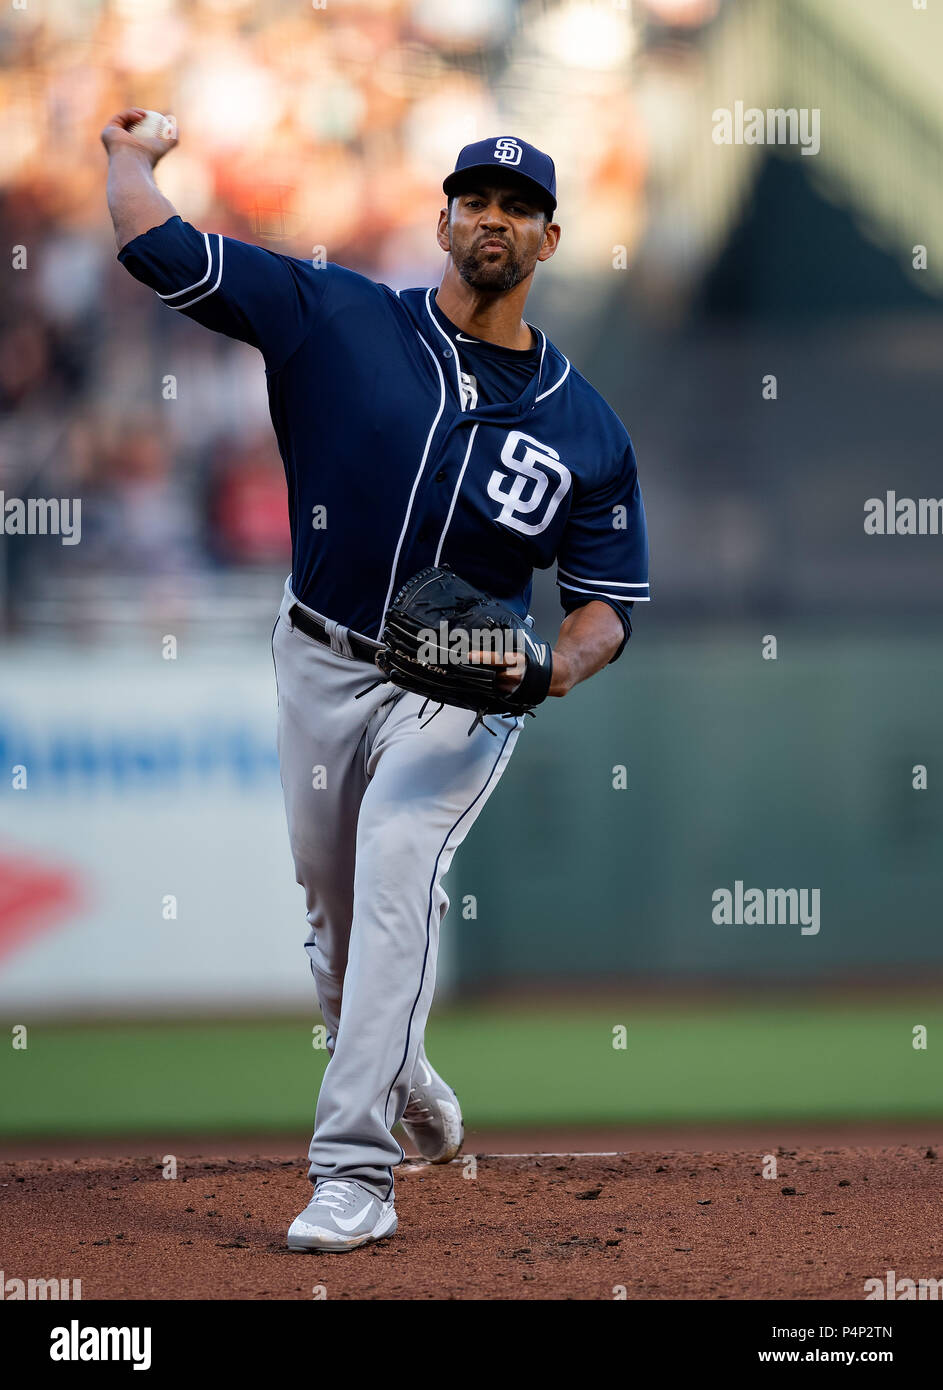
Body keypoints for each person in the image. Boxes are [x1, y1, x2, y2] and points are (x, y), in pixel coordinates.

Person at [102, 112, 650, 1251]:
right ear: (442, 219)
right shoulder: (334, 311)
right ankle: (402, 1079)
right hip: (316, 656)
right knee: (334, 927)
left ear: (549, 239)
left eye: (517, 205)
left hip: (460, 685)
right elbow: (161, 249)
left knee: (399, 865)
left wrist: (551, 666)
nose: (491, 217)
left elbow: (609, 606)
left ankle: (355, 1172)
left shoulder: (586, 427)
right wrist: (125, 160)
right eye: (474, 198)